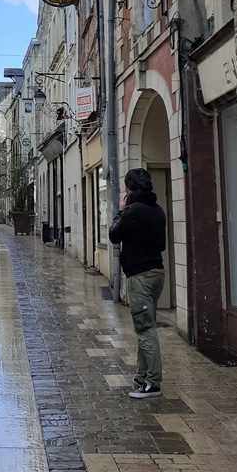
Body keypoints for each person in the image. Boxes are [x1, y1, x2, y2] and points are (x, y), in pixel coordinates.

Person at [109, 168, 166, 399]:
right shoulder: (158, 210)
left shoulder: (132, 211)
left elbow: (114, 235)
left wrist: (120, 212)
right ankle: (142, 378)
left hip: (140, 277)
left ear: (130, 189)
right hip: (157, 274)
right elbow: (161, 245)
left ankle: (153, 383)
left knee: (145, 329)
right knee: (145, 326)